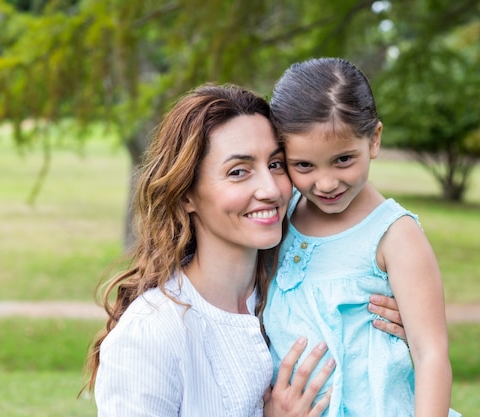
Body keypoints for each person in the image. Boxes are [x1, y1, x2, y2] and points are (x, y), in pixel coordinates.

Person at [82, 83, 405, 417]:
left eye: (276, 164)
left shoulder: (297, 293)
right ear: (186, 195)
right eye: (238, 172)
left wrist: (390, 338)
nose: (269, 189)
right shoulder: (152, 333)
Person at [263, 57, 461, 417]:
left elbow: (431, 353)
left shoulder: (393, 234)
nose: (325, 183)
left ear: (374, 140)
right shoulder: (279, 215)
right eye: (304, 165)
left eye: (343, 160)